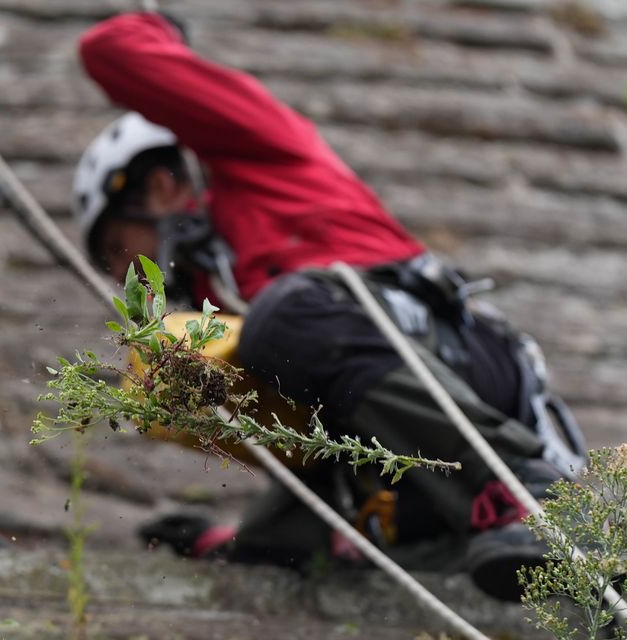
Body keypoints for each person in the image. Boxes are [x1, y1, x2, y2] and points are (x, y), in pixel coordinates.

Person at [73, 11, 585, 601]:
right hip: (400, 471)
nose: (121, 274)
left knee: (282, 319)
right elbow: (319, 424)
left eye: (116, 248)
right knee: (174, 373)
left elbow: (110, 50)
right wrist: (246, 542)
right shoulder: (227, 292)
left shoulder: (259, 154)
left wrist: (162, 39)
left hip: (461, 366)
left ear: (158, 188)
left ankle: (529, 490)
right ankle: (366, 531)